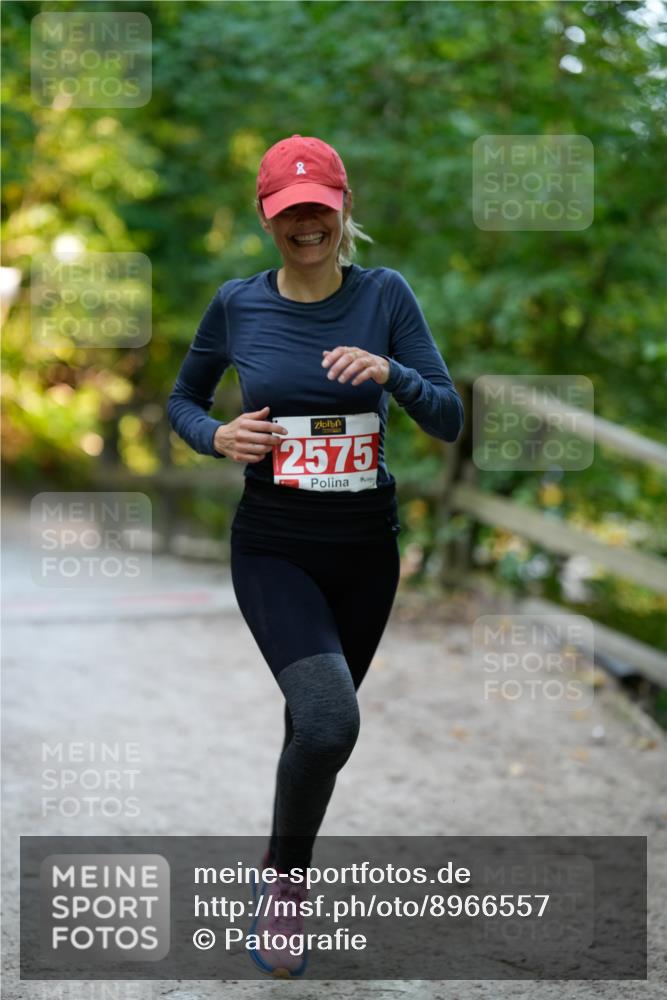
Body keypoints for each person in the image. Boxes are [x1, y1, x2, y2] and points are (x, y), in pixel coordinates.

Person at [167, 133, 464, 978]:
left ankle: (282, 863)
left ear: (342, 212)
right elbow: (183, 401)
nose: (306, 225)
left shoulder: (386, 297)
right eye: (289, 212)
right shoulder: (237, 304)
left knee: (313, 727)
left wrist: (391, 375)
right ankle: (286, 887)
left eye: (319, 210)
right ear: (268, 218)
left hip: (365, 550)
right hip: (273, 546)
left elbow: (446, 417)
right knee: (332, 718)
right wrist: (215, 434)